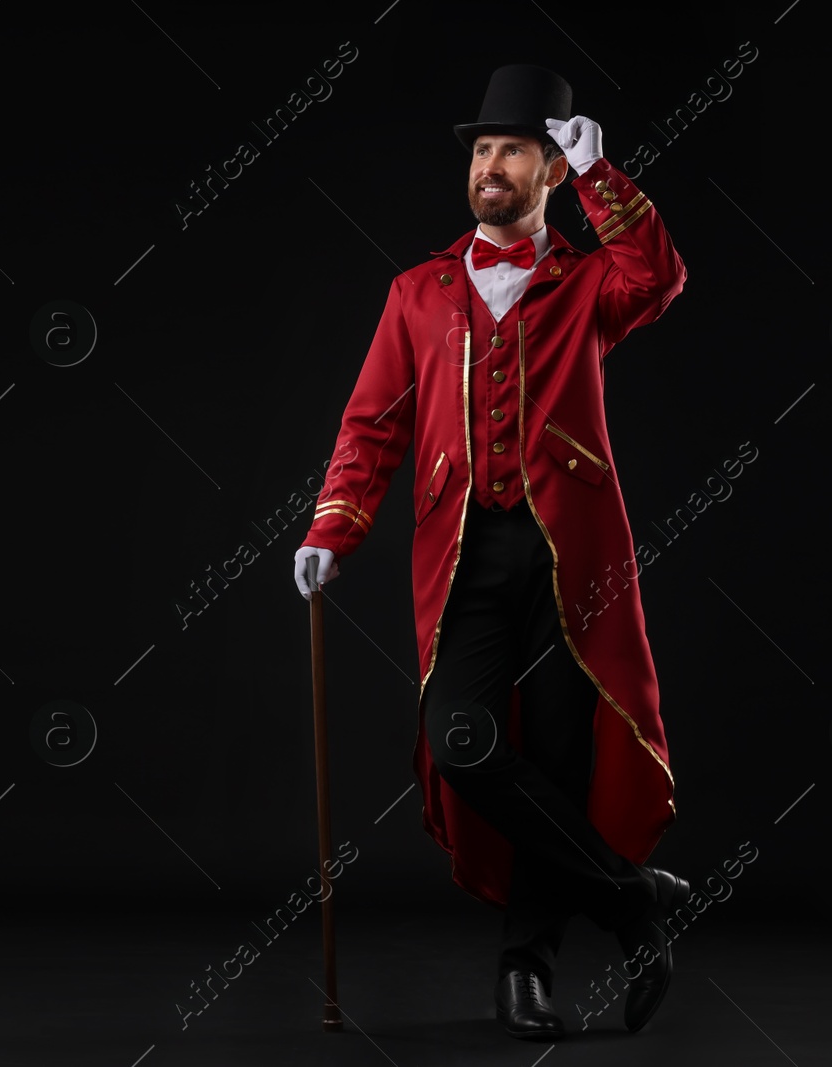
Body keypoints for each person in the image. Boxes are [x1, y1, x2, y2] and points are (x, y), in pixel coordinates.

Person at [291, 64, 690, 1039]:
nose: (491, 166)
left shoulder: (589, 282)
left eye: (512, 149)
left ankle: (526, 970)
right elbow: (372, 423)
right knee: (461, 740)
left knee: (555, 762)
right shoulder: (417, 291)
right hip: (461, 555)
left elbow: (659, 277)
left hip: (570, 562)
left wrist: (607, 179)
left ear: (550, 167)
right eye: (481, 150)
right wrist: (332, 523)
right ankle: (631, 899)